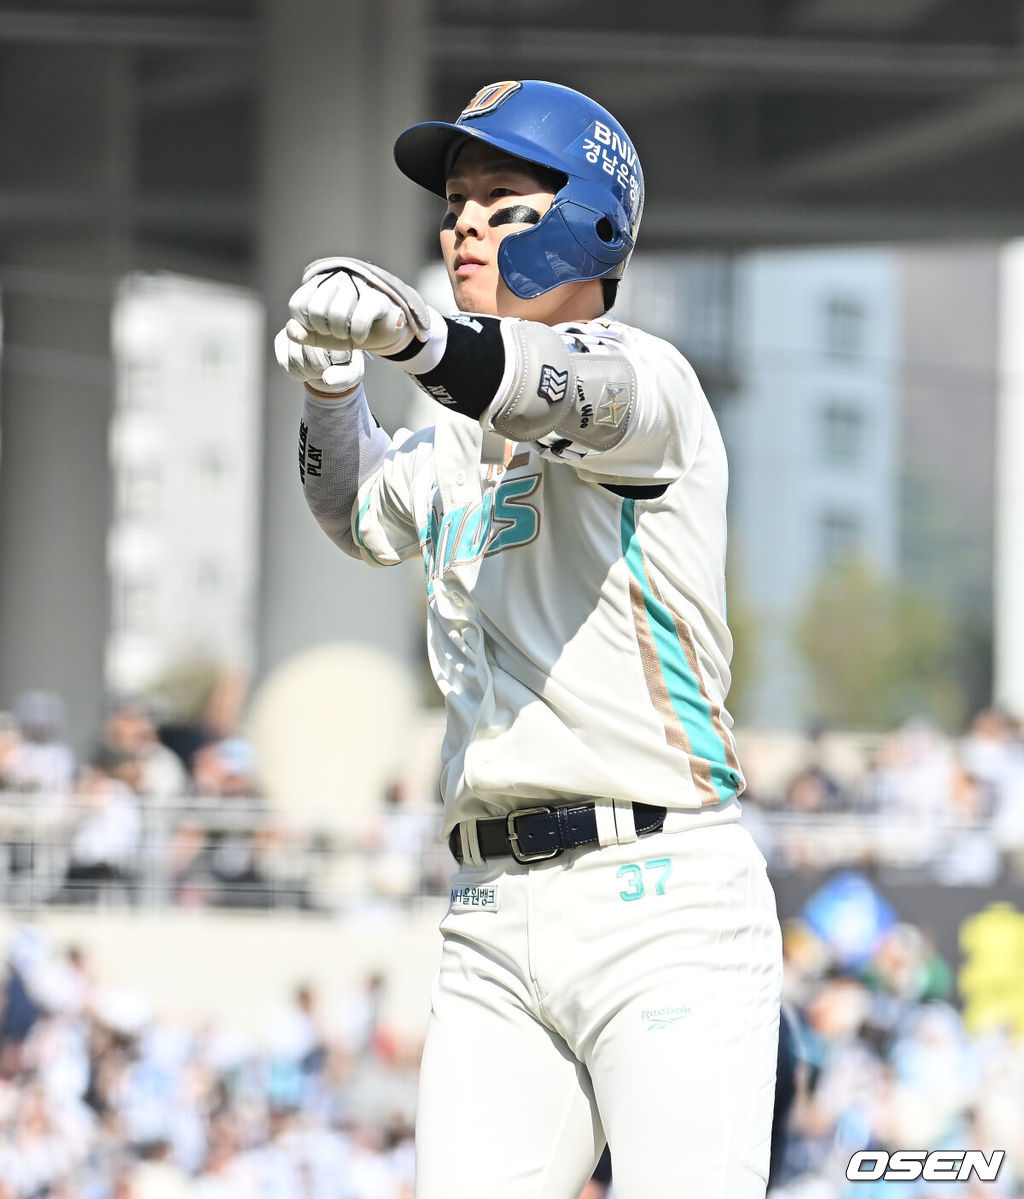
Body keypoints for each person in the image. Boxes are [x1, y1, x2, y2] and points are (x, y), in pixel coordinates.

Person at [275, 79, 782, 1199]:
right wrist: (325, 382)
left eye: (500, 197)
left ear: (587, 217)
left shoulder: (648, 377)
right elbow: (357, 513)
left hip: (663, 891)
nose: (461, 220)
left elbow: (556, 392)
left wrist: (414, 338)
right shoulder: (453, 434)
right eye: (455, 200)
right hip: (492, 911)